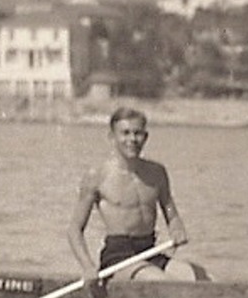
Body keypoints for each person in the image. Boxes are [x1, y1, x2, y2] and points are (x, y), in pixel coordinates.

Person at [67, 106, 204, 287]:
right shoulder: (97, 176)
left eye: (138, 133)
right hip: (119, 258)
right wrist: (87, 267)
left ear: (146, 137)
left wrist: (177, 227)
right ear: (112, 137)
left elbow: (170, 211)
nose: (132, 139)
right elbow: (74, 229)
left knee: (200, 278)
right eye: (125, 133)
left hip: (149, 251)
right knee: (165, 284)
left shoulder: (157, 173)